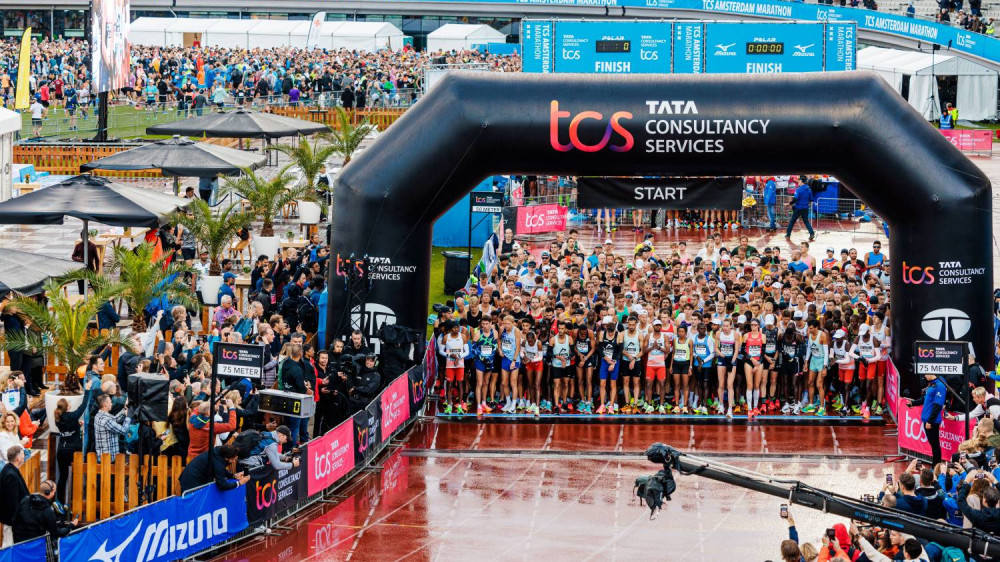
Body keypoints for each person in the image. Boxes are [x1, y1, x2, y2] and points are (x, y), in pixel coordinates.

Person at [11, 479, 78, 543]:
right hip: (36, 545)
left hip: (19, 543)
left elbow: (14, 519)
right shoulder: (47, 510)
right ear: (49, 493)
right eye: (54, 492)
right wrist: (71, 525)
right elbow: (56, 533)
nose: (54, 494)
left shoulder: (25, 500)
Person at [178, 444, 249, 493]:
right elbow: (222, 485)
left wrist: (233, 476)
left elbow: (220, 470)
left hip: (191, 477)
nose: (234, 462)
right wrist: (239, 483)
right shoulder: (218, 461)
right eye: (233, 459)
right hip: (191, 482)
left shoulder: (219, 452)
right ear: (226, 458)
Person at [915, 370, 947, 465]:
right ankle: (936, 465)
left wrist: (930, 421)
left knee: (935, 445)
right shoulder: (931, 384)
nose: (924, 376)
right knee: (933, 445)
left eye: (925, 374)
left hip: (932, 421)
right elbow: (925, 399)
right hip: (927, 419)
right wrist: (913, 403)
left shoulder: (939, 385)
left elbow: (937, 405)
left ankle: (936, 466)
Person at [0, 446, 29, 547]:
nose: (24, 456)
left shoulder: (9, 469)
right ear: (18, 458)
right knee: (9, 545)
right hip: (12, 521)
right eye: (22, 454)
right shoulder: (11, 475)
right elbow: (12, 501)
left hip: (12, 519)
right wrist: (16, 521)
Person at [93, 394, 130, 458]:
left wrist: (124, 409)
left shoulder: (99, 415)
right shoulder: (106, 420)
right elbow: (124, 430)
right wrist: (127, 417)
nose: (111, 404)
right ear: (105, 404)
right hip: (109, 459)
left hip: (103, 456)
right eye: (110, 402)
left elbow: (114, 420)